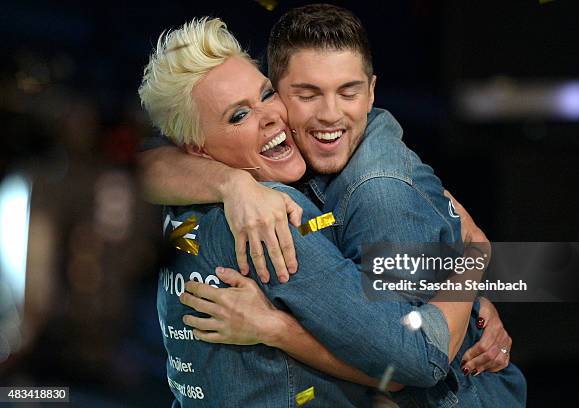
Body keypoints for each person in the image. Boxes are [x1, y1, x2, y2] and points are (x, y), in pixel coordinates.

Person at [139, 5, 525, 408]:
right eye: (306, 94)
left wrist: (471, 268)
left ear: (372, 91)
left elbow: (413, 361)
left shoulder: (374, 193)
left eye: (263, 96)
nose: (328, 113)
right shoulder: (252, 201)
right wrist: (231, 183)